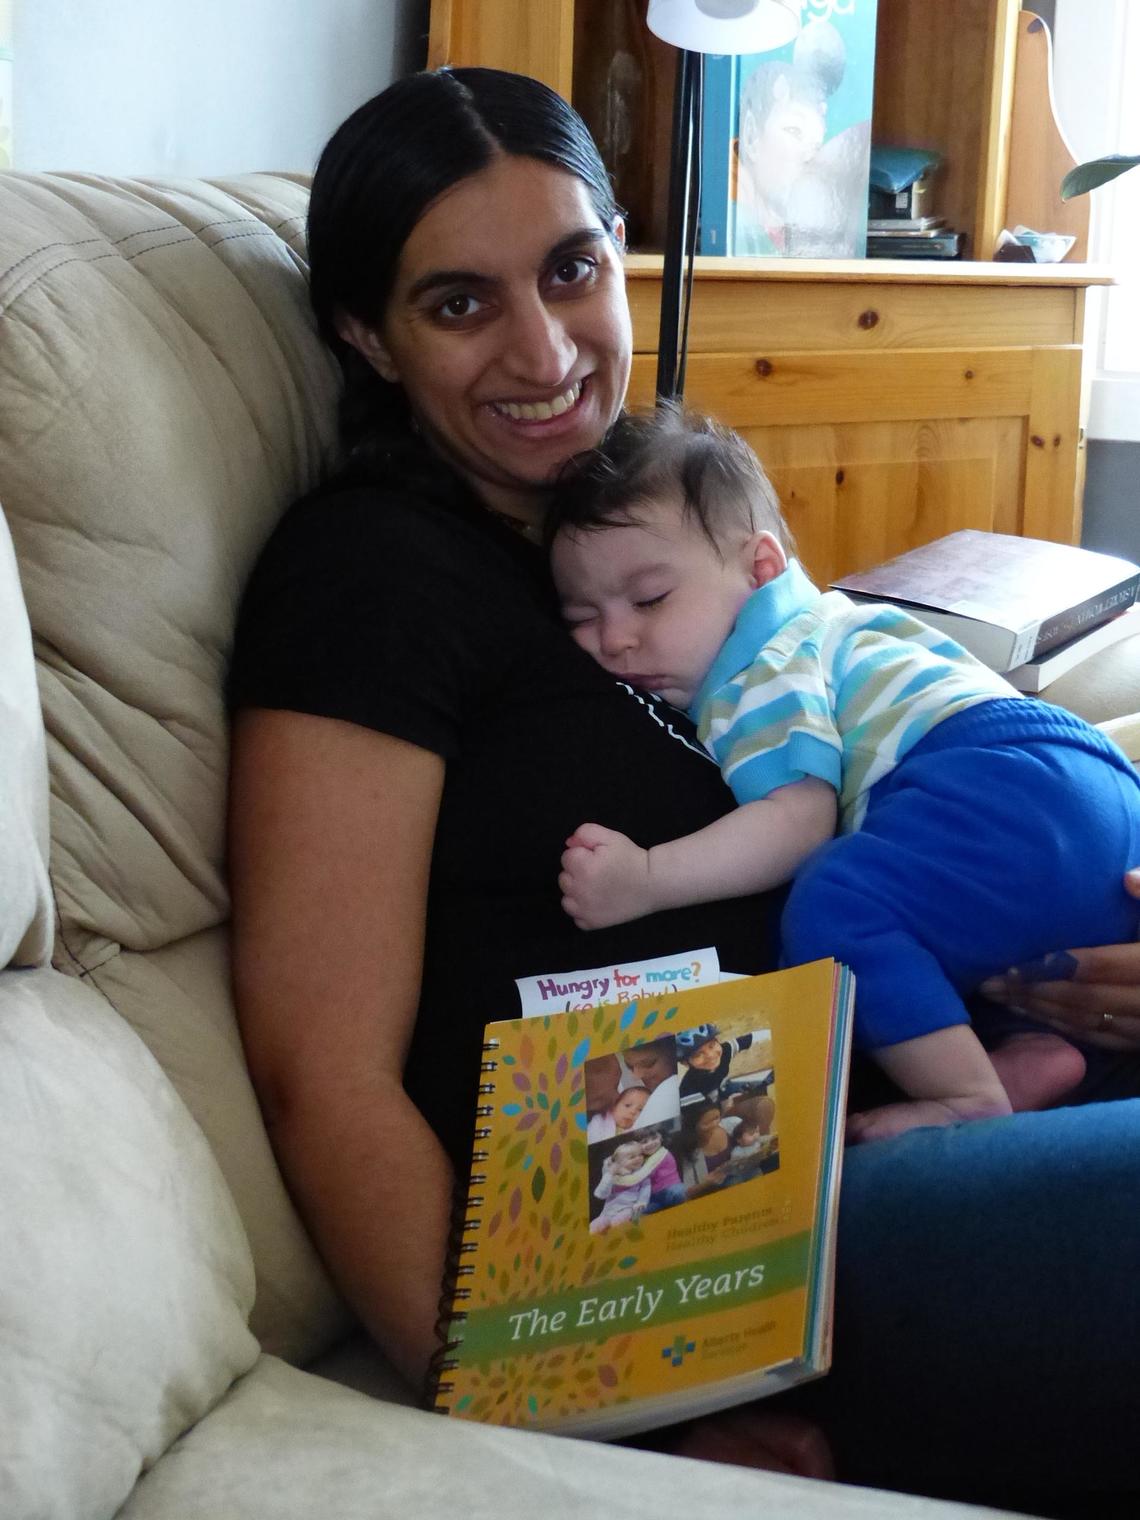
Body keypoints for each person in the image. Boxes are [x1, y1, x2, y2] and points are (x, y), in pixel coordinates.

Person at [226, 66, 1140, 1508]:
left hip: (956, 1073)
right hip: (704, 1210)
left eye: (573, 269)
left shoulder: (637, 525)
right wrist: (574, 1411)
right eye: (459, 303)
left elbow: (857, 744)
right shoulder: (371, 578)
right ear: (366, 335)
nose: (546, 350)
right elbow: (318, 1066)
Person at [549, 406, 1140, 1141]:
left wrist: (646, 877)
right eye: (580, 616)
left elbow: (797, 820)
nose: (614, 639)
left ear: (760, 569)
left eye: (649, 599)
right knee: (950, 953)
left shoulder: (757, 666)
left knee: (835, 901)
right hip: (1098, 788)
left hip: (985, 782)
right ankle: (1033, 1057)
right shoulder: (843, 619)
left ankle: (965, 1099)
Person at [674, 1022, 774, 1116]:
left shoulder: (725, 1050)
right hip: (706, 1107)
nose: (710, 1055)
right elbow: (703, 1123)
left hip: (722, 1087)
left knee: (763, 1086)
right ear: (685, 1063)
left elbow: (748, 1039)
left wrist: (775, 1033)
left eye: (712, 1045)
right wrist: (727, 1108)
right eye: (697, 1054)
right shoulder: (688, 1092)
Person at [590, 1139, 652, 1232]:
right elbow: (600, 1194)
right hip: (609, 1212)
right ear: (619, 1163)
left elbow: (644, 1195)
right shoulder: (613, 1176)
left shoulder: (643, 1176)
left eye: (640, 1155)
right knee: (597, 1225)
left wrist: (640, 1206)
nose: (638, 1158)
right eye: (632, 1157)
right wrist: (610, 1173)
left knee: (620, 1220)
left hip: (630, 1209)